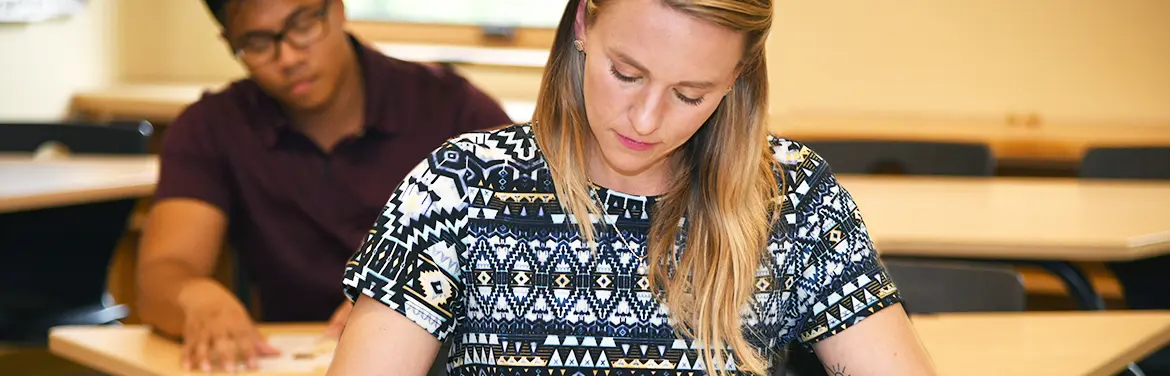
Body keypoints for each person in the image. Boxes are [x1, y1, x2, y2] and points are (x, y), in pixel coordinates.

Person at [328, 0, 937, 374]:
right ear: (583, 23)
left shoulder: (790, 196)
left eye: (689, 94)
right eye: (626, 73)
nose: (645, 121)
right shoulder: (461, 186)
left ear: (737, 77)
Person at [134, 0, 512, 372]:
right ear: (229, 42)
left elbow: (526, 259)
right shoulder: (211, 127)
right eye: (258, 43)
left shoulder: (453, 108)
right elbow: (162, 275)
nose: (288, 58)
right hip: (290, 362)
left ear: (339, 8)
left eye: (302, 25)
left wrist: (401, 304)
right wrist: (195, 297)